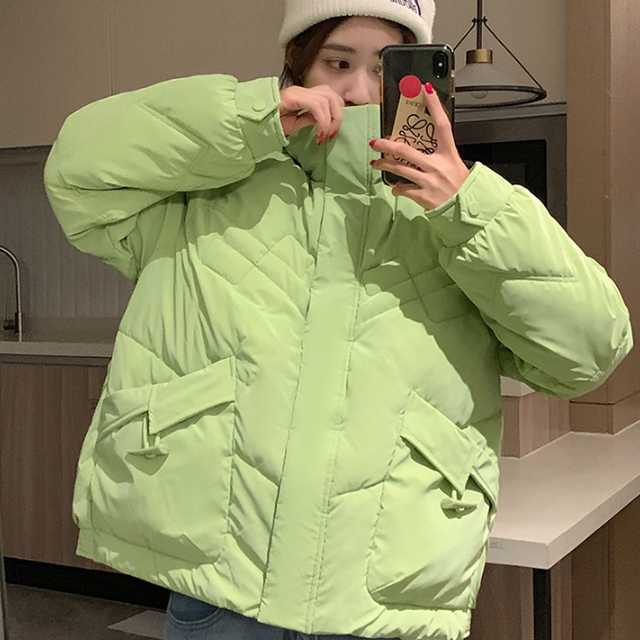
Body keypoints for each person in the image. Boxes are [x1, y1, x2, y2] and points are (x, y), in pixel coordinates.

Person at [43, 0, 633, 639]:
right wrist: (250, 118)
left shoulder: (461, 220)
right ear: (297, 69)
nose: (358, 92)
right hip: (222, 592)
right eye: (337, 62)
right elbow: (78, 169)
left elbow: (589, 349)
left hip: (382, 605)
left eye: (386, 69)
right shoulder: (209, 198)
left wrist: (468, 205)